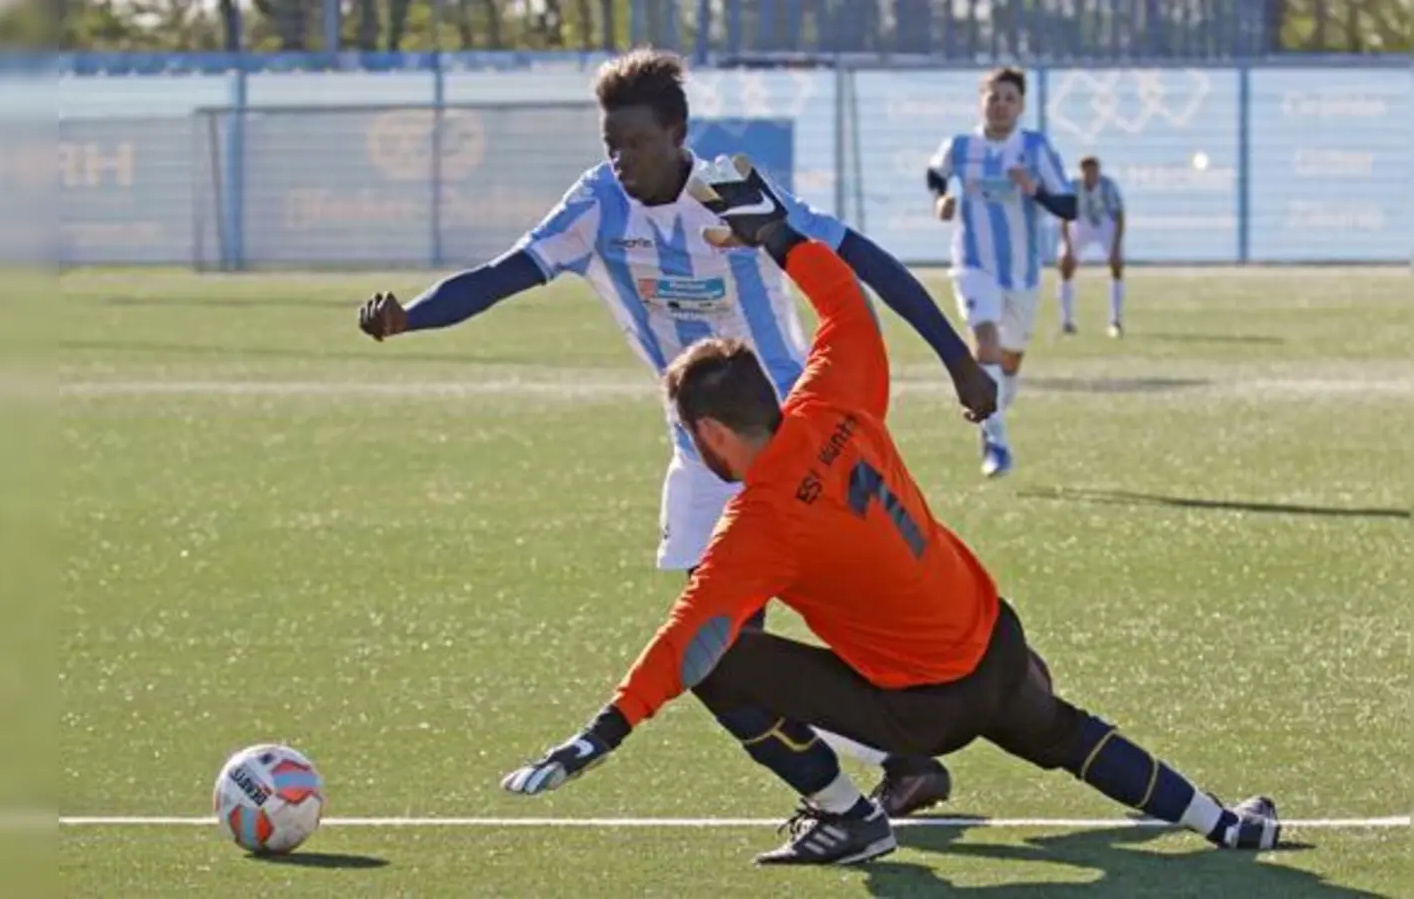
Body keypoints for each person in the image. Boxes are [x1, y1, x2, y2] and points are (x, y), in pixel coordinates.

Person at [500, 156, 1282, 866]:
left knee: (724, 664)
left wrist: (600, 733)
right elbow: (844, 301)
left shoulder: (757, 526)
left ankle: (848, 817)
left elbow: (684, 642)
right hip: (995, 642)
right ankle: (1226, 824)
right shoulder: (833, 395)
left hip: (922, 714)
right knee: (1064, 732)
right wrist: (776, 235)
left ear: (709, 433)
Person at [357, 49, 990, 815]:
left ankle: (870, 779)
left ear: (678, 135)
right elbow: (501, 275)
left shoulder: (731, 191)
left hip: (792, 439)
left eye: (637, 143)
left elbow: (862, 261)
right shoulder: (596, 205)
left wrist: (959, 359)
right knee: (723, 647)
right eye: (611, 145)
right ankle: (893, 767)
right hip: (703, 453)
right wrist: (412, 317)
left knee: (746, 642)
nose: (622, 160)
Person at [927, 66, 1077, 478]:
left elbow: (1069, 206)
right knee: (985, 339)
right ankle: (997, 443)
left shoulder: (1035, 149)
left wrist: (1035, 189)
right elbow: (936, 174)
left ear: (1021, 105)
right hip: (973, 264)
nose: (1001, 105)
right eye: (993, 97)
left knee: (1008, 361)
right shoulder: (961, 147)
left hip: (1022, 273)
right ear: (981, 101)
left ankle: (995, 410)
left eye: (1009, 98)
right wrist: (941, 199)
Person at [1058, 155, 1129, 338]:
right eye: (1086, 170)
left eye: (1094, 170)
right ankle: (1067, 322)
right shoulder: (1073, 186)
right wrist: (1067, 246)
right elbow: (1064, 217)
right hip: (1081, 223)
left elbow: (1119, 215)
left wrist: (1116, 247)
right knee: (1065, 266)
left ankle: (1116, 320)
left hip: (1104, 223)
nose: (1090, 174)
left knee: (1116, 266)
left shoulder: (1108, 186)